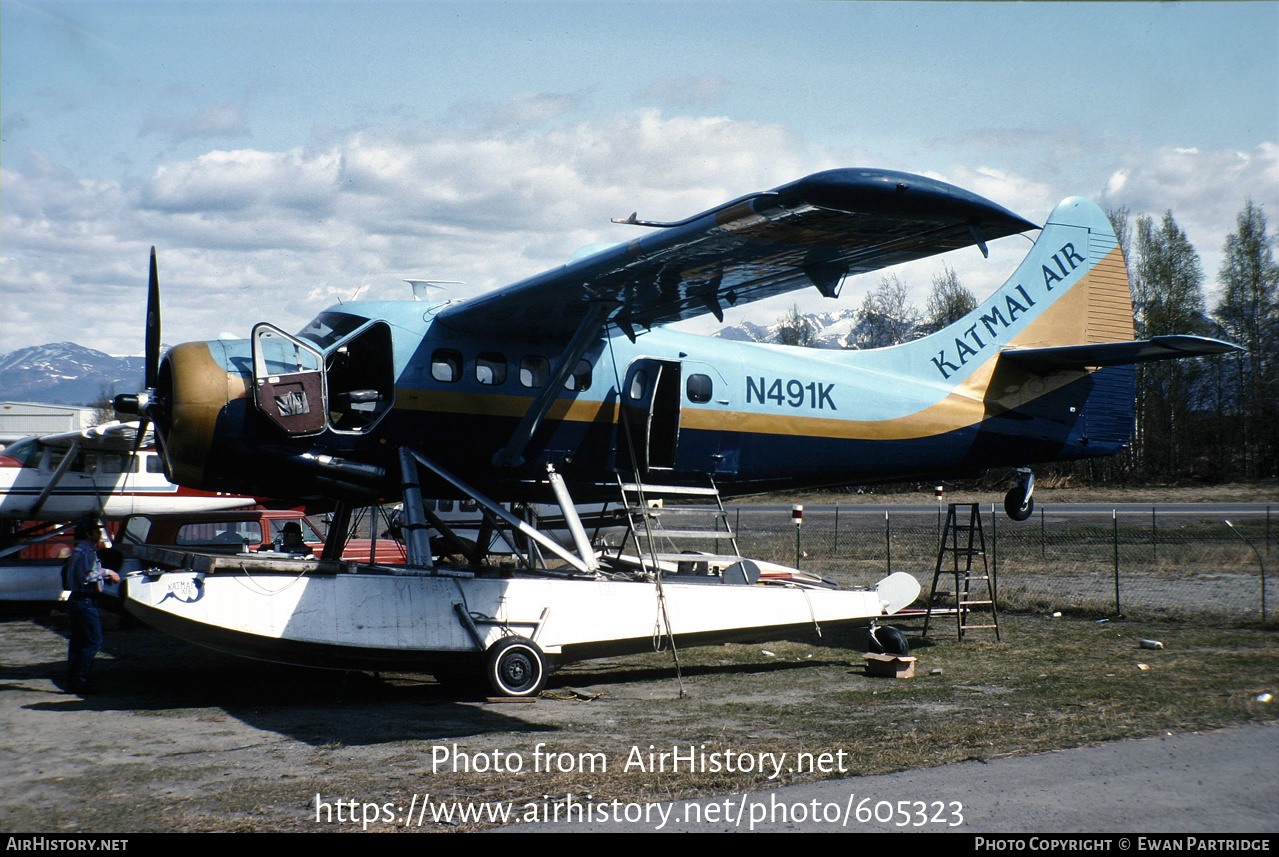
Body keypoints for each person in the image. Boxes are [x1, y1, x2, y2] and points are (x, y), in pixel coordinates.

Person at [62, 519, 120, 695]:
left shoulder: (77, 551)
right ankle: (81, 680)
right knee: (94, 641)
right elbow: (88, 576)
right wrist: (108, 572)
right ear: (88, 534)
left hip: (75, 599)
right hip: (86, 600)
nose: (99, 533)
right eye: (96, 530)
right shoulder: (88, 552)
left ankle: (73, 678)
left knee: (78, 641)